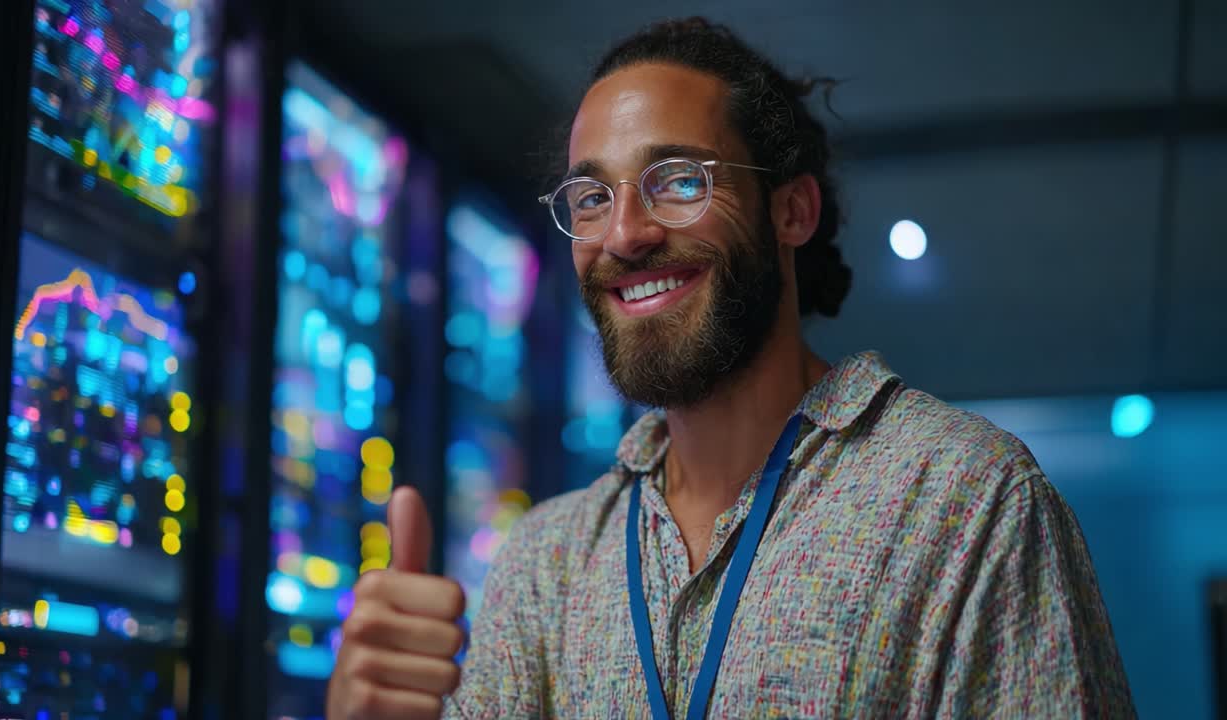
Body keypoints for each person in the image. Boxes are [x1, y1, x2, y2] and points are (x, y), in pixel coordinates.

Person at [327, 17, 1136, 720]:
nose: (624, 234)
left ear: (792, 210)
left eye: (678, 181)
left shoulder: (966, 502)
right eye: (591, 197)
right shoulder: (547, 561)